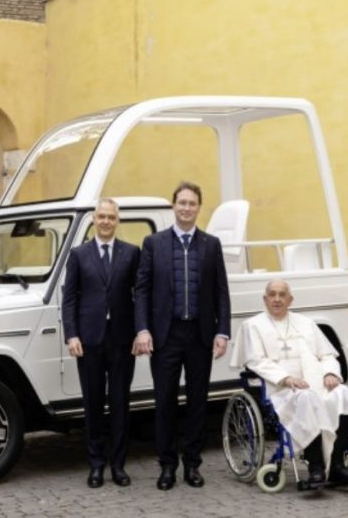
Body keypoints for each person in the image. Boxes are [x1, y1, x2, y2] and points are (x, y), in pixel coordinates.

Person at [133, 181, 230, 490]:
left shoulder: (211, 245)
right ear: (173, 206)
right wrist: (142, 328)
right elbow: (142, 290)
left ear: (198, 208)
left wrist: (222, 331)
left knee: (198, 402)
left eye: (192, 203)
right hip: (166, 335)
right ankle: (167, 466)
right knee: (164, 402)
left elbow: (221, 292)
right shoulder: (154, 244)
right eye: (182, 203)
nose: (186, 208)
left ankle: (192, 464)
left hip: (200, 335)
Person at [230, 279, 348, 488]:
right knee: (307, 398)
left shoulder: (306, 323)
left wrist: (330, 373)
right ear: (265, 298)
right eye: (272, 294)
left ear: (290, 300)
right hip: (281, 390)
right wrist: (286, 379)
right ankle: (315, 467)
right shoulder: (253, 326)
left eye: (282, 295)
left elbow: (327, 354)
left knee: (341, 392)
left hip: (315, 382)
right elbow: (256, 361)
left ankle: (338, 466)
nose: (277, 299)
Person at [62, 198, 142, 488]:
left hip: (122, 341)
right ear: (94, 220)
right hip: (89, 340)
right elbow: (69, 298)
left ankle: (118, 466)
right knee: (93, 405)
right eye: (101, 216)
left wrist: (139, 331)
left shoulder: (131, 253)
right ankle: (96, 465)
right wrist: (71, 335)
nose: (106, 221)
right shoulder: (79, 254)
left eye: (111, 217)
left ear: (117, 220)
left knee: (120, 404)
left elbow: (140, 296)